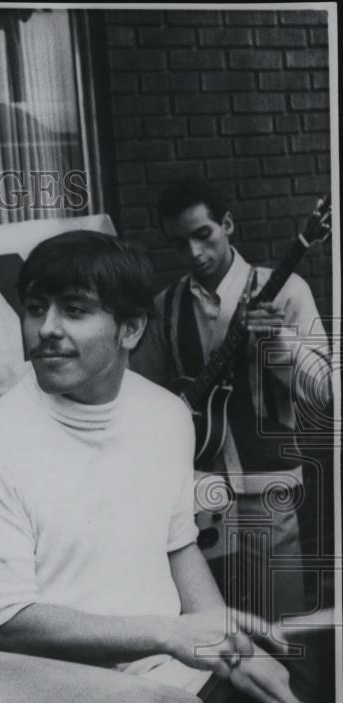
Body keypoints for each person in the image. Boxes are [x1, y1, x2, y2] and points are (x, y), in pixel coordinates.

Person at [0, 230, 309, 703]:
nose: (46, 329)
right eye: (35, 308)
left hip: (178, 682)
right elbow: (7, 621)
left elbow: (176, 545)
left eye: (74, 310)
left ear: (131, 328)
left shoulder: (167, 416)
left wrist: (226, 646)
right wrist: (168, 634)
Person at [130, 179, 332, 623]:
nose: (194, 255)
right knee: (215, 625)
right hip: (197, 490)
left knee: (282, 623)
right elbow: (140, 394)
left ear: (227, 224)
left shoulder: (285, 290)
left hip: (268, 485)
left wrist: (279, 344)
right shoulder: (167, 306)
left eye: (204, 235)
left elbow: (324, 391)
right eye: (180, 243)